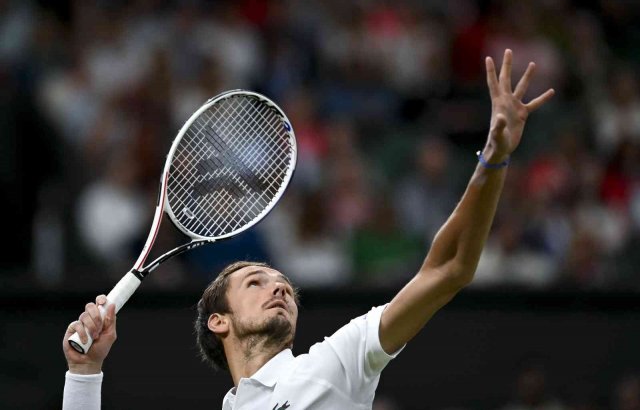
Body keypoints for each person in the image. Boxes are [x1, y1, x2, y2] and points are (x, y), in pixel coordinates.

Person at [61, 49, 555, 409]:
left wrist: (493, 159)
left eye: (283, 285)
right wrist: (84, 374)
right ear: (219, 320)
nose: (279, 286)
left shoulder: (334, 364)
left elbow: (449, 268)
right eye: (256, 282)